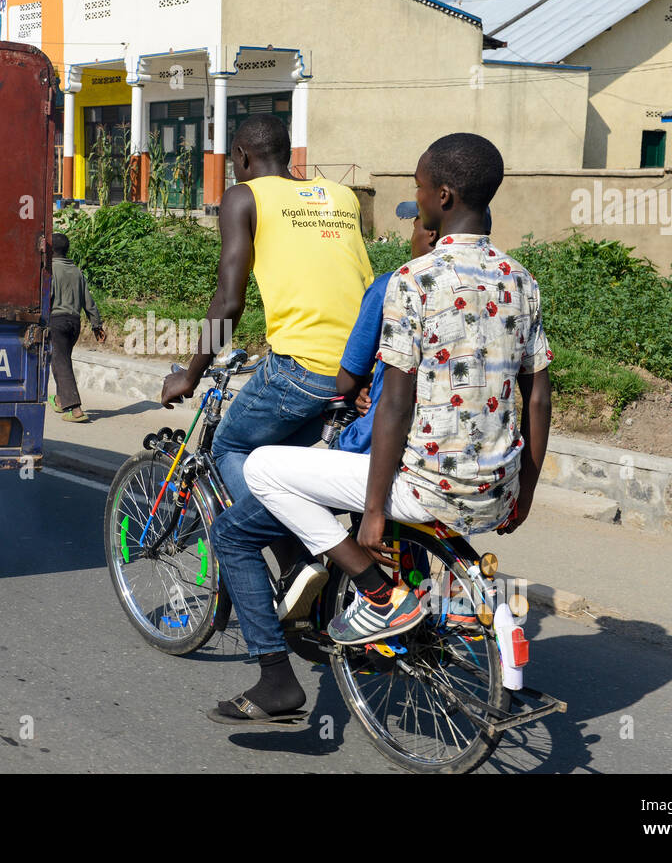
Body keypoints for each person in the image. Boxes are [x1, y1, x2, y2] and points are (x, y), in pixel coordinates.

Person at [234, 132, 552, 719]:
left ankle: (377, 593)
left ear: (446, 196)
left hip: (423, 485)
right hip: (497, 490)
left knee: (260, 468)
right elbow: (537, 398)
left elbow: (395, 404)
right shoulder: (521, 280)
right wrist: (524, 491)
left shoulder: (413, 281)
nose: (417, 198)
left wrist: (375, 510)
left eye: (420, 188)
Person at [157, 114, 373, 724]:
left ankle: (292, 581)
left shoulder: (243, 197)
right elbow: (352, 278)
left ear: (244, 156)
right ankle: (311, 572)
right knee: (296, 473)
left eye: (233, 161)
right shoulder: (340, 195)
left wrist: (191, 372)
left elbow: (229, 298)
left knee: (232, 451)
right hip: (357, 370)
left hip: (300, 369)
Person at [48, 232, 106, 423]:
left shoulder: (50, 270)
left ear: (50, 250)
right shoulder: (76, 271)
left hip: (56, 322)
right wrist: (97, 325)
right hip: (74, 323)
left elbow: (47, 297)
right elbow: (89, 302)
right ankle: (59, 399)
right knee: (60, 360)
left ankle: (75, 409)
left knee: (60, 363)